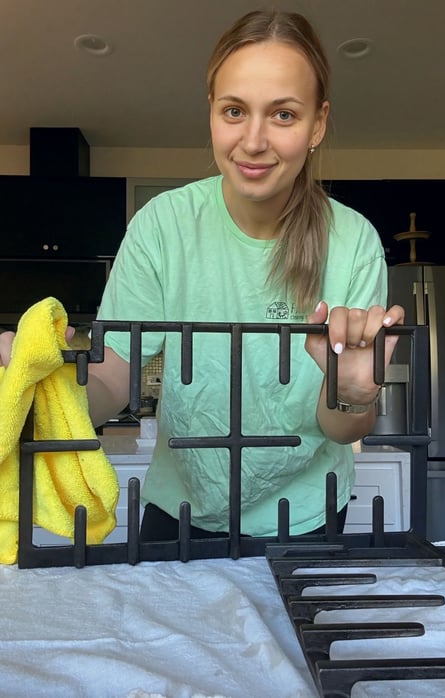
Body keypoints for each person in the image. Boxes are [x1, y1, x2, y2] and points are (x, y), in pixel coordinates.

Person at [0, 10, 403, 541]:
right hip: (179, 513)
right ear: (211, 112)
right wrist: (37, 389)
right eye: (235, 110)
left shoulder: (354, 243)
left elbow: (341, 424)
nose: (253, 141)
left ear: (317, 125)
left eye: (283, 115)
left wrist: (352, 393)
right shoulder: (162, 225)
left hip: (306, 518)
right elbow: (112, 376)